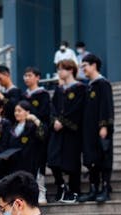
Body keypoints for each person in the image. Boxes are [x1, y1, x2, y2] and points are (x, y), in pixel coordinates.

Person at [47, 59, 86, 203]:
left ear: (70, 70)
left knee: (72, 161)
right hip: (57, 131)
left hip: (72, 131)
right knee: (52, 160)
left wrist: (63, 122)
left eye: (61, 69)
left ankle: (74, 191)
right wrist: (55, 121)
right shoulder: (59, 89)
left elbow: (77, 108)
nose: (59, 72)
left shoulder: (80, 88)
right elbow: (53, 108)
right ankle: (61, 185)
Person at [78, 53, 115, 203]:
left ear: (93, 65)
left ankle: (105, 189)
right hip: (89, 131)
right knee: (91, 159)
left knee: (103, 158)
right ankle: (93, 189)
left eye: (85, 66)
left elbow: (107, 106)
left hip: (100, 130)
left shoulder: (103, 84)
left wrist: (104, 125)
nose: (83, 69)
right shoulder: (89, 86)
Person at [22, 66, 51, 205]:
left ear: (37, 77)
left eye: (29, 75)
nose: (26, 78)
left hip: (39, 134)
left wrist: (34, 118)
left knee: (39, 163)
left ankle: (41, 192)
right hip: (26, 134)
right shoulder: (24, 95)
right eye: (25, 76)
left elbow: (46, 115)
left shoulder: (43, 94)